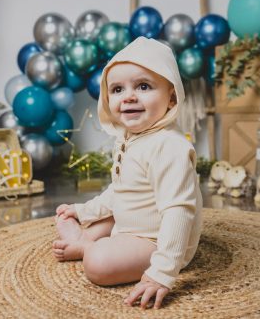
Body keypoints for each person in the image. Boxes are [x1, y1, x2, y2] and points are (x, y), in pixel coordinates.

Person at [52, 36, 202, 310]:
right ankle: (86, 238)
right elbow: (121, 192)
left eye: (143, 86)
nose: (129, 96)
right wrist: (84, 211)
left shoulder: (170, 147)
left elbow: (179, 211)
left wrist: (163, 271)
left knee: (97, 265)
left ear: (171, 97)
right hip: (133, 224)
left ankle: (88, 248)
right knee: (110, 215)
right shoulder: (129, 138)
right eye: (118, 89)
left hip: (157, 239)